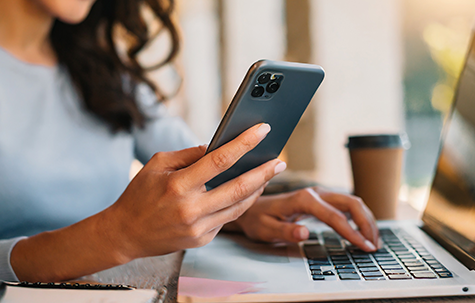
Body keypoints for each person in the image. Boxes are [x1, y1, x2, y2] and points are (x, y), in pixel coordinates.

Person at [0, 0, 379, 283]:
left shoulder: (103, 70)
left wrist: (246, 209)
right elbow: (126, 229)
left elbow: (197, 162)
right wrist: (116, 235)